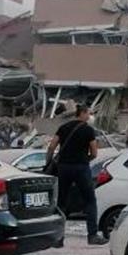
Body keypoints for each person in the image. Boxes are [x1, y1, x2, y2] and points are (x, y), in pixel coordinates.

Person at [46, 104, 107, 246]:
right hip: (81, 168)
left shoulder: (63, 127)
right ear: (83, 113)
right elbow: (94, 152)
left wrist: (49, 162)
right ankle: (92, 236)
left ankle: (58, 238)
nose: (90, 116)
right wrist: (86, 160)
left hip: (64, 168)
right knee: (90, 201)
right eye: (89, 113)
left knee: (61, 202)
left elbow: (51, 146)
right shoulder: (88, 130)